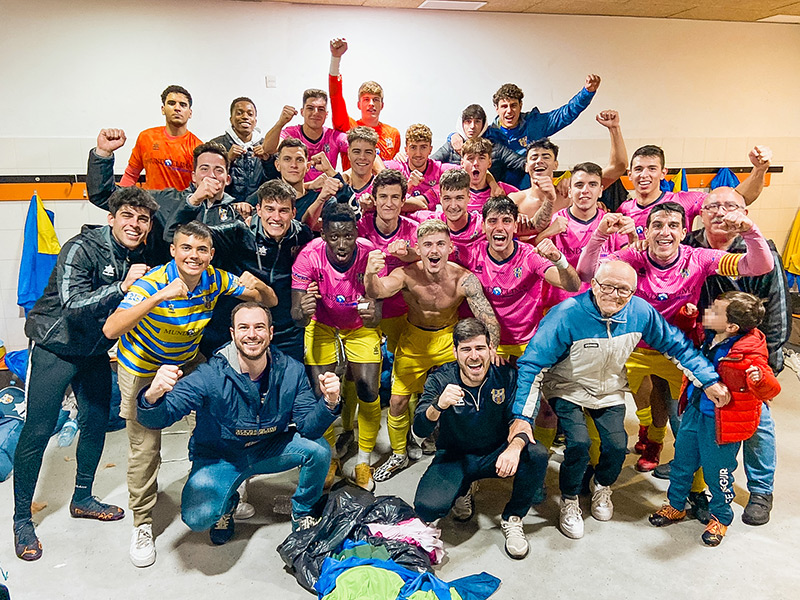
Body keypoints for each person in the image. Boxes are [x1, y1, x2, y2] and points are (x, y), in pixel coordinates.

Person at [510, 261, 727, 540]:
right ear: (594, 285)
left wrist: (708, 380)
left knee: (616, 445)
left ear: (635, 292)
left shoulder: (640, 312)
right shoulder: (566, 314)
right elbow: (531, 365)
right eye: (606, 286)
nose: (614, 294)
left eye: (624, 290)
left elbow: (677, 346)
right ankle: (570, 499)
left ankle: (602, 487)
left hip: (609, 388)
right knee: (578, 444)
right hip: (567, 386)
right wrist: (521, 418)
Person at [103, 221, 276, 568]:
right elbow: (111, 329)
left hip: (187, 362)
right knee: (146, 447)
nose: (193, 256)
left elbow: (266, 301)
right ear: (173, 250)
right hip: (143, 366)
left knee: (222, 421)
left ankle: (225, 492)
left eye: (201, 250)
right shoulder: (153, 281)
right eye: (186, 248)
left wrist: (259, 287)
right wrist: (159, 297)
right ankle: (142, 524)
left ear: (210, 254)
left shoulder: (215, 277)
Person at [13, 186, 159, 561]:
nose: (135, 224)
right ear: (112, 218)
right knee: (38, 431)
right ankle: (20, 520)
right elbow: (74, 304)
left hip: (94, 350)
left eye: (142, 219)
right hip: (54, 346)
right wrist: (123, 286)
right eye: (127, 216)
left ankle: (82, 497)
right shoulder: (81, 248)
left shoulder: (138, 252)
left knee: (95, 423)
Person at [577, 201, 775, 473]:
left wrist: (750, 230)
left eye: (672, 226)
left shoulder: (699, 257)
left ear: (684, 232)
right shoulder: (632, 257)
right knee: (603, 400)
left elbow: (759, 266)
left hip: (678, 349)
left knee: (685, 417)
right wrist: (599, 234)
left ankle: (675, 466)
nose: (664, 232)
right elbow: (586, 273)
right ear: (645, 232)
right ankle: (600, 467)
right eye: (657, 225)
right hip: (632, 347)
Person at [137, 302, 341, 543]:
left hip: (268, 449)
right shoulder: (209, 375)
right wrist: (153, 395)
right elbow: (159, 417)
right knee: (197, 518)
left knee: (318, 449)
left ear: (271, 333)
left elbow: (310, 428)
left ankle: (303, 511)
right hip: (220, 457)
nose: (252, 334)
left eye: (259, 327)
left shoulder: (292, 371)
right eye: (244, 327)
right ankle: (227, 505)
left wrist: (329, 402)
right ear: (233, 334)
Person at [682, 187, 791, 525]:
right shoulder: (690, 247)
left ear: (744, 212)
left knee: (757, 426)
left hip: (748, 355)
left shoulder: (761, 250)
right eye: (713, 205)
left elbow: (777, 307)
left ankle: (761, 489)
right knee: (701, 420)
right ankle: (700, 484)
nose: (721, 211)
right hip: (707, 352)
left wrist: (769, 358)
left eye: (731, 205)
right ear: (701, 212)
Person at [365, 219, 501, 481]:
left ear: (450, 247)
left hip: (449, 340)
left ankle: (453, 448)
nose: (434, 250)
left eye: (440, 243)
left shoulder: (464, 279)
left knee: (458, 397)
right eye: (427, 244)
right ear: (418, 248)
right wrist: (371, 274)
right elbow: (379, 290)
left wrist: (491, 347)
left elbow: (488, 317)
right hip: (414, 338)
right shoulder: (406, 274)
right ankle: (398, 453)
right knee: (396, 401)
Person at [649, 292, 780, 546]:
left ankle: (721, 516)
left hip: (721, 424)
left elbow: (771, 390)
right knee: (682, 462)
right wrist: (687, 318)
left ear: (731, 326)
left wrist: (760, 380)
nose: (708, 311)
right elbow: (688, 337)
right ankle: (676, 505)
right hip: (694, 412)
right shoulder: (709, 334)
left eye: (715, 311)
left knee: (718, 472)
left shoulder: (750, 354)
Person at [413, 319, 549, 559]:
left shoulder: (506, 375)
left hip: (495, 453)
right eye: (466, 349)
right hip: (455, 456)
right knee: (427, 508)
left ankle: (513, 517)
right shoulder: (440, 379)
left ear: (491, 350)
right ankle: (463, 488)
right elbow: (420, 430)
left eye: (480, 348)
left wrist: (514, 447)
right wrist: (438, 405)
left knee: (536, 454)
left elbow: (520, 421)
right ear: (455, 352)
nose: (474, 356)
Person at [167, 179, 314, 362]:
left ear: (293, 213)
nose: (276, 217)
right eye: (269, 209)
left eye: (283, 210)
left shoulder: (303, 235)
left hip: (285, 329)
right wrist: (193, 201)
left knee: (289, 383)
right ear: (258, 209)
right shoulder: (237, 232)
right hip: (237, 328)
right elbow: (174, 234)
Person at [291, 203, 383, 492]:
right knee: (323, 394)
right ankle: (330, 456)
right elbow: (296, 315)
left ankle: (363, 460)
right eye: (334, 237)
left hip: (358, 326)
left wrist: (373, 313)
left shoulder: (370, 254)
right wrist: (304, 310)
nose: (342, 244)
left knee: (368, 388)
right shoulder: (308, 257)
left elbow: (377, 313)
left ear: (356, 231)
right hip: (322, 323)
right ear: (323, 234)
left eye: (347, 236)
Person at [89, 130, 241, 265]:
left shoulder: (235, 212)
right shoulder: (164, 199)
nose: (211, 175)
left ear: (227, 179)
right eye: (204, 168)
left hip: (215, 291)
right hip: (165, 288)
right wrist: (103, 154)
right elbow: (104, 196)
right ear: (194, 176)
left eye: (218, 170)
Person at [460, 196, 581, 361]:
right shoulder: (469, 254)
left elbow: (572, 286)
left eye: (506, 221)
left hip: (528, 342)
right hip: (487, 343)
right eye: (493, 221)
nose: (499, 227)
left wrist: (559, 259)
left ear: (515, 226)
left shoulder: (529, 256)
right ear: (483, 226)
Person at [619, 144, 772, 238]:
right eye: (639, 169)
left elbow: (739, 198)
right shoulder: (623, 209)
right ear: (630, 174)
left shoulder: (685, 201)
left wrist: (759, 170)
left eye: (652, 169)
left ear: (663, 173)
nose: (644, 175)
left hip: (677, 280)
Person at [483, 78, 600, 187]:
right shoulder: (489, 136)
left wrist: (586, 93)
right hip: (502, 195)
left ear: (520, 106)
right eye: (504, 106)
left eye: (513, 105)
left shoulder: (535, 124)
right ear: (496, 108)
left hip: (536, 192)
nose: (509, 111)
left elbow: (565, 114)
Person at [328, 37, 401, 160]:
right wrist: (336, 59)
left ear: (382, 105)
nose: (371, 104)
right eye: (366, 99)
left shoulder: (393, 133)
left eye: (376, 100)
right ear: (359, 104)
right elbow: (336, 96)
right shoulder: (349, 127)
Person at [120, 85, 202, 190]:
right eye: (172, 103)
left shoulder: (197, 148)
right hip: (150, 204)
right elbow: (131, 175)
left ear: (190, 113)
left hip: (183, 205)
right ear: (163, 109)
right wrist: (120, 201)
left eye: (183, 105)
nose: (177, 108)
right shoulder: (146, 138)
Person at [262, 89, 349, 182]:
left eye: (321, 109)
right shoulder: (291, 133)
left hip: (327, 193)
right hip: (296, 194)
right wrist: (280, 122)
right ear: (302, 112)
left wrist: (344, 176)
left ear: (326, 114)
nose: (316, 112)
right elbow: (268, 149)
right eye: (310, 108)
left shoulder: (334, 137)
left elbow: (363, 153)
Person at [432, 103, 525, 185]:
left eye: (477, 121)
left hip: (487, 197)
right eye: (468, 121)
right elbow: (430, 163)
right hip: (458, 197)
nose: (472, 126)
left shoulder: (494, 147)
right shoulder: (452, 145)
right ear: (462, 124)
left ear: (483, 124)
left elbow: (518, 161)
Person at [210, 97, 278, 204]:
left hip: (259, 208)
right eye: (239, 113)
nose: (245, 117)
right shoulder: (216, 145)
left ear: (255, 121)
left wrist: (267, 160)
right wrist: (227, 160)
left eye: (250, 114)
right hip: (224, 206)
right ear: (231, 119)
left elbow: (276, 181)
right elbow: (208, 178)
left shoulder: (267, 145)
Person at [383, 124, 458, 212]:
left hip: (429, 223)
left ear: (430, 150)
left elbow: (468, 170)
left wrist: (457, 135)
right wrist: (409, 186)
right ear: (406, 150)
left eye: (423, 147)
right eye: (413, 147)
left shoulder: (438, 169)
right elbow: (372, 162)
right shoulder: (396, 168)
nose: (418, 153)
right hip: (399, 222)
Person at [460, 138, 519, 213]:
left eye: (481, 158)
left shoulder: (504, 191)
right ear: (462, 163)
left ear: (489, 163)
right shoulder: (454, 193)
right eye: (470, 158)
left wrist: (520, 215)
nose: (476, 163)